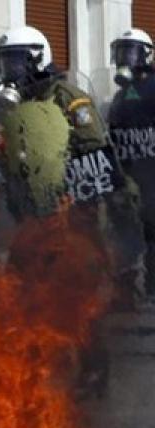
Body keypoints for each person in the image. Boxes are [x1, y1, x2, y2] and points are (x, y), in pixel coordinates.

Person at [0, 26, 144, 398]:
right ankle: (29, 369)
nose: (9, 73)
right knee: (18, 290)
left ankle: (93, 368)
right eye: (3, 64)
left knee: (76, 294)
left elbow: (95, 151)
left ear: (38, 58)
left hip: (75, 213)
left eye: (15, 63)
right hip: (34, 216)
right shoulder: (15, 107)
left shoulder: (67, 97)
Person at [105, 29, 155, 296]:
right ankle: (128, 291)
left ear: (146, 54)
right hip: (128, 174)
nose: (125, 59)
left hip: (152, 172)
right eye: (121, 52)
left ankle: (152, 289)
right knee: (125, 232)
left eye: (131, 52)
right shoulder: (120, 96)